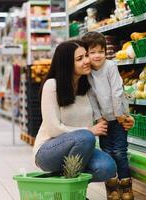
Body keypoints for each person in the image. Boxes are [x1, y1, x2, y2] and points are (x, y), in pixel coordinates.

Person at [33, 40, 120, 191]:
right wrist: (89, 130)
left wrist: (125, 117)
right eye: (79, 59)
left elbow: (106, 109)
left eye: (86, 55)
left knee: (107, 167)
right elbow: (53, 129)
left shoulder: (86, 87)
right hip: (48, 151)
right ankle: (73, 193)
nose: (87, 60)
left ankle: (66, 181)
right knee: (86, 137)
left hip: (80, 150)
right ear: (67, 64)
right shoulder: (52, 86)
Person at [82, 32, 135, 200]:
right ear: (86, 54)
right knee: (107, 152)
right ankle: (111, 188)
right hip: (104, 120)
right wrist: (98, 118)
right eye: (92, 52)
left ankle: (126, 186)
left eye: (101, 51)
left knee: (120, 151)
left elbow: (117, 91)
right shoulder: (88, 73)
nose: (97, 56)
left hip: (119, 118)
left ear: (106, 52)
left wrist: (119, 115)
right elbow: (91, 97)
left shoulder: (111, 66)